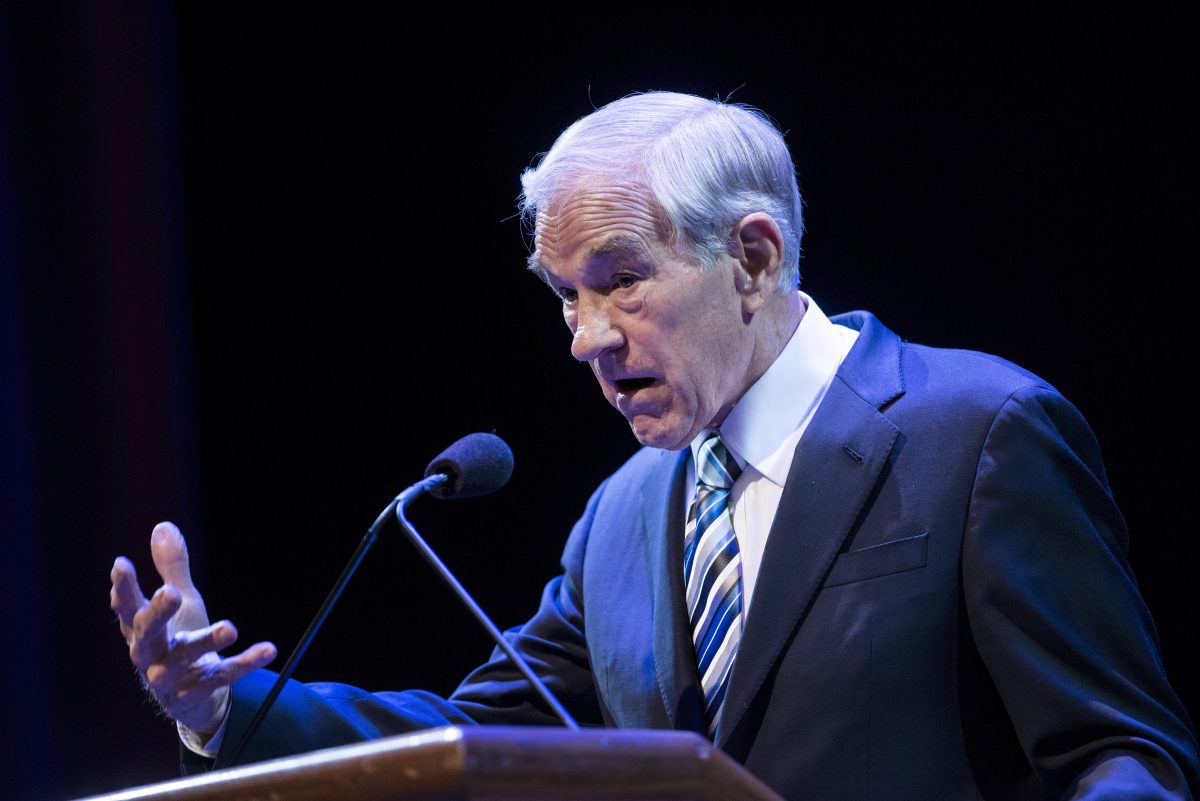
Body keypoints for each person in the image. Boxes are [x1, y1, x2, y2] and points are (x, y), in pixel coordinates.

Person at [111, 91, 1199, 800]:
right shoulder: (626, 512)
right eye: (564, 298)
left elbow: (1123, 754)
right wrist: (223, 712)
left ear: (756, 257)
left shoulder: (978, 433)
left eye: (621, 280)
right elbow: (474, 739)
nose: (586, 339)